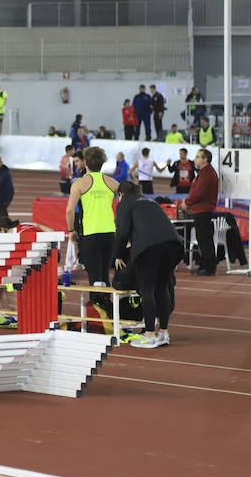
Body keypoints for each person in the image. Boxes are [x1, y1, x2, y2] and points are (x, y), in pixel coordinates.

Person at [113, 181, 183, 348]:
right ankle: (164, 333)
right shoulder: (150, 201)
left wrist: (118, 255)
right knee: (162, 287)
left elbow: (122, 232)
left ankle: (149, 335)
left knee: (147, 289)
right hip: (174, 245)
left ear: (121, 194)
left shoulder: (125, 203)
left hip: (149, 248)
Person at [66, 147, 120, 290]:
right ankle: (107, 309)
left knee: (94, 278)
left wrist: (71, 230)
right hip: (109, 233)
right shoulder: (112, 182)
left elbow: (70, 210)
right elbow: (126, 204)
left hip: (90, 234)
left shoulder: (79, 184)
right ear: (102, 163)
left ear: (85, 162)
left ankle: (97, 308)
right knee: (104, 276)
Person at [179, 149, 218, 275]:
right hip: (201, 210)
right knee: (203, 239)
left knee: (205, 239)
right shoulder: (204, 173)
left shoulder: (206, 174)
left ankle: (208, 268)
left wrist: (187, 202)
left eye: (197, 157)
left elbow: (198, 193)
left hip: (203, 210)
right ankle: (205, 266)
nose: (195, 159)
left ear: (205, 159)